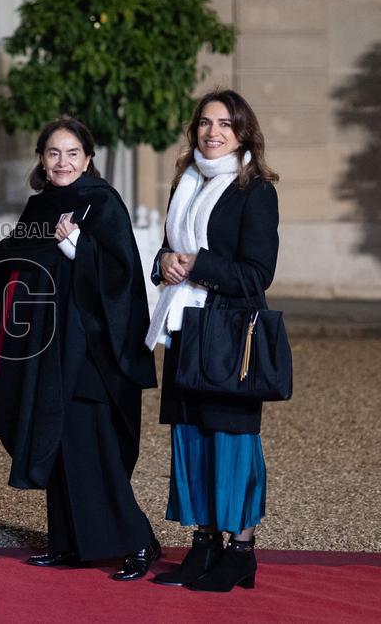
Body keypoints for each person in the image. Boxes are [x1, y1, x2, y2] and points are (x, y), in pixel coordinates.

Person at [0, 117, 160, 580]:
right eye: (54, 153)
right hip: (49, 349)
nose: (63, 161)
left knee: (92, 447)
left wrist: (78, 247)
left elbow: (123, 276)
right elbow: (19, 252)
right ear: (41, 158)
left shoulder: (101, 203)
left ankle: (139, 543)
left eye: (72, 153)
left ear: (88, 158)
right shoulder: (41, 206)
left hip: (92, 353)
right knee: (55, 443)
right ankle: (68, 543)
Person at [145, 89, 280, 591]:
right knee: (191, 438)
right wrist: (165, 261)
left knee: (231, 441)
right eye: (205, 122)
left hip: (228, 337)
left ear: (243, 132)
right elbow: (169, 248)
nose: (213, 132)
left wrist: (198, 264)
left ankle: (241, 550)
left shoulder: (255, 190)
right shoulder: (186, 181)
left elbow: (257, 274)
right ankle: (204, 545)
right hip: (184, 329)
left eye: (225, 123)